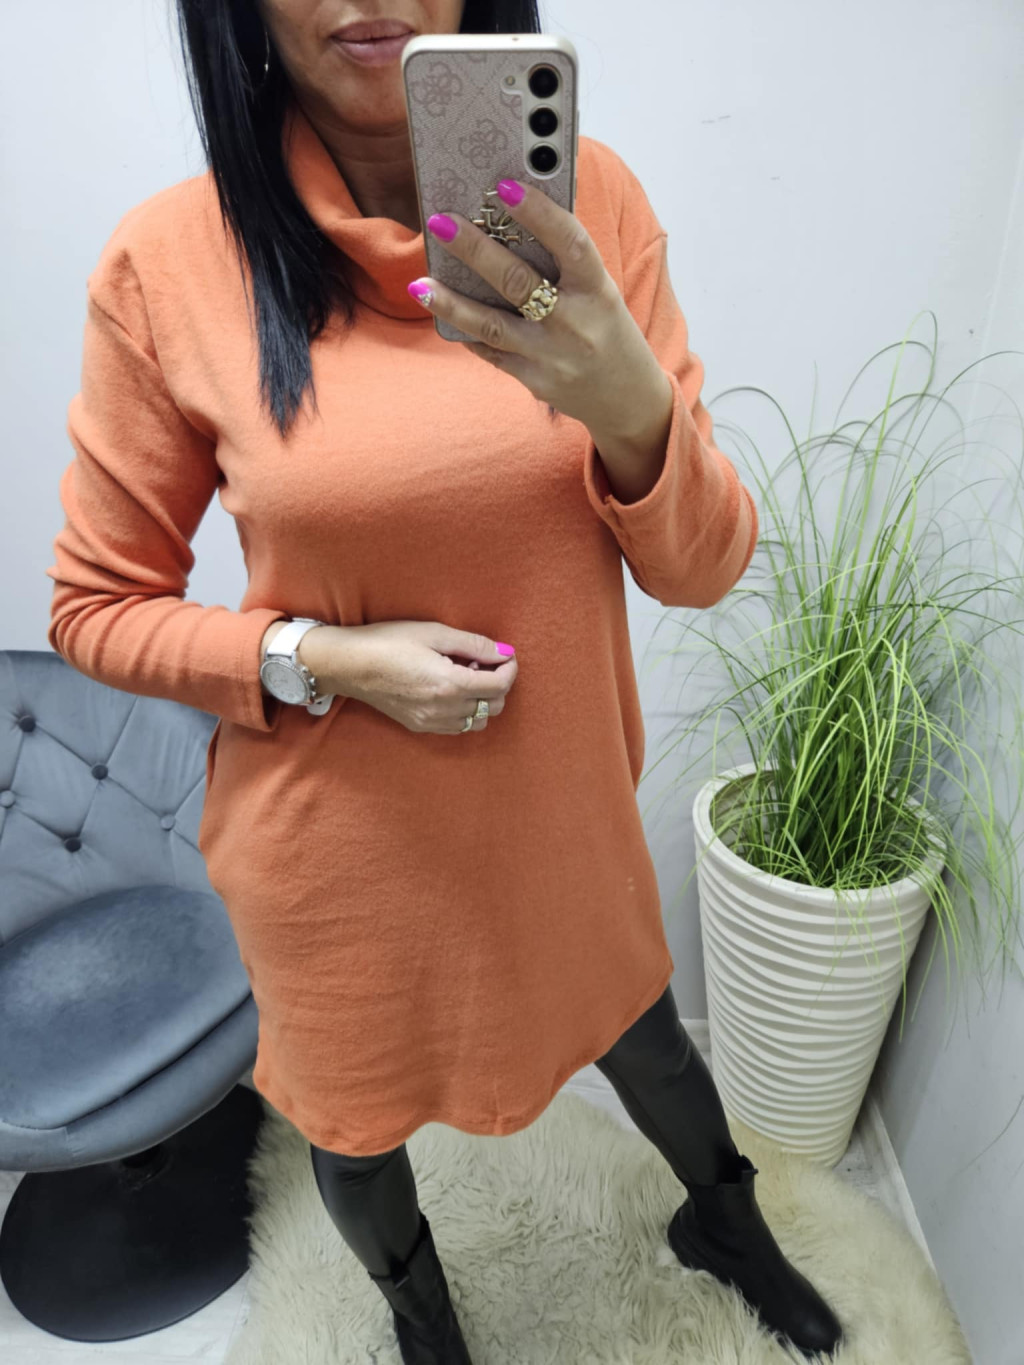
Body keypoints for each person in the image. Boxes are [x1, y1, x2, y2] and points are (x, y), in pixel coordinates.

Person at [44, 1, 843, 1360]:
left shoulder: (585, 210)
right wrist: (322, 660)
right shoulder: (171, 264)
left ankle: (728, 1222)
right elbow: (94, 608)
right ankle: (426, 1322)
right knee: (352, 1129)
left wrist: (632, 409)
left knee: (647, 1041)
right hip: (336, 859)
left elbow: (704, 569)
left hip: (559, 813)